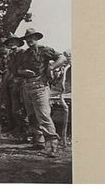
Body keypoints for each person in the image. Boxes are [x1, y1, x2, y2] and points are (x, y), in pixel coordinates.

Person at [18, 28, 67, 156]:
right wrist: (23, 72)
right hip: (27, 87)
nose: (29, 41)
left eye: (32, 38)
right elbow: (17, 69)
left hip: (40, 86)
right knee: (32, 116)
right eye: (27, 39)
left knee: (44, 116)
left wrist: (51, 66)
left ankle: (52, 146)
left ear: (37, 38)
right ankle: (39, 141)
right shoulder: (24, 54)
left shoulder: (45, 50)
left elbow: (62, 58)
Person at [2, 32, 28, 138]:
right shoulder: (11, 55)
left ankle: (27, 131)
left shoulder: (24, 53)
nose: (11, 44)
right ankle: (19, 130)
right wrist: (3, 83)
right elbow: (9, 71)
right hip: (14, 84)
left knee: (24, 108)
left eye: (14, 42)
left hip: (24, 83)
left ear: (18, 43)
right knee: (14, 108)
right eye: (10, 42)